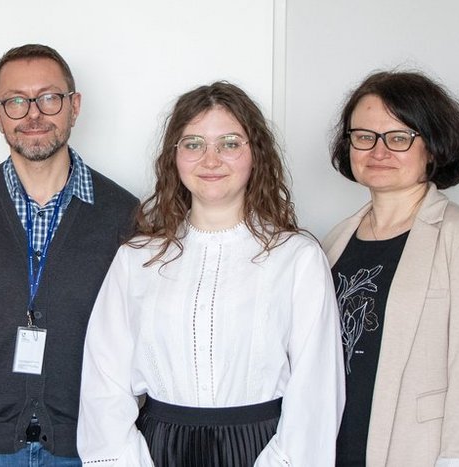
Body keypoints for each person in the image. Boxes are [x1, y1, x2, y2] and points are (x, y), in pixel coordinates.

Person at [77, 81, 345, 466]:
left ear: (257, 154)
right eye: (193, 144)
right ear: (174, 157)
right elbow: (104, 383)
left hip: (261, 447)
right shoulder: (136, 260)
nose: (211, 159)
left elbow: (317, 389)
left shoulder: (297, 257)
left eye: (230, 143)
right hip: (160, 450)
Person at [0, 43, 138, 466]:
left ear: (74, 106)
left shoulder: (122, 214)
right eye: (16, 101)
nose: (33, 113)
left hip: (88, 449)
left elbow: (141, 339)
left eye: (49, 98)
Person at [323, 70, 459, 466]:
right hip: (331, 444)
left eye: (399, 137)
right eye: (364, 136)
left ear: (433, 147)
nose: (378, 151)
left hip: (413, 450)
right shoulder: (334, 240)